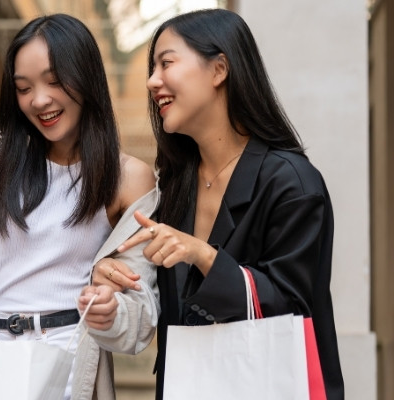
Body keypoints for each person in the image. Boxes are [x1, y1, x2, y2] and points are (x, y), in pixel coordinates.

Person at [0, 14, 159, 400]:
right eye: (24, 88)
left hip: (67, 360)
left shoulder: (128, 178)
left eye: (54, 81)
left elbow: (139, 315)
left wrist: (111, 312)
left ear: (87, 77)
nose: (39, 100)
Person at [96, 8, 344, 399]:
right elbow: (163, 305)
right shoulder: (176, 185)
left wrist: (204, 256)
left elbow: (293, 312)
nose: (151, 81)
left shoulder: (291, 183)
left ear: (219, 70)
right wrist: (118, 282)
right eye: (152, 68)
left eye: (167, 63)